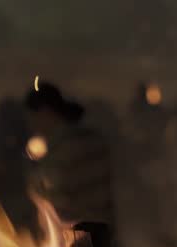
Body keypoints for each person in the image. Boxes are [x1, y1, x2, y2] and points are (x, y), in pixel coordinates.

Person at [24, 82, 113, 226]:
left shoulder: (65, 149)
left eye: (32, 117)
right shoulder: (91, 138)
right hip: (104, 231)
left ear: (45, 113)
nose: (31, 124)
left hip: (83, 234)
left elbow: (58, 201)